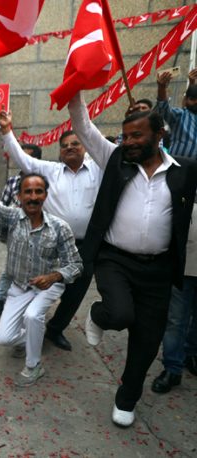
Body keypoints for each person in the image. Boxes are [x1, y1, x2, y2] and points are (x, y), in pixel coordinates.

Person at [69, 91, 197, 427]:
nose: (129, 142)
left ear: (159, 135)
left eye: (137, 135)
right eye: (126, 136)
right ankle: (98, 315)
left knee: (146, 342)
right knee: (120, 313)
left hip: (158, 270)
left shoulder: (185, 170)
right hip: (115, 261)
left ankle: (126, 401)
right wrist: (75, 91)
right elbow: (84, 128)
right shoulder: (115, 159)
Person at [0, 143, 82, 386]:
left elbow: (75, 264)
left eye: (38, 192)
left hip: (47, 287)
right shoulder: (11, 218)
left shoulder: (59, 227)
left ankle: (34, 366)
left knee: (33, 317)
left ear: (45, 195)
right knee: (3, 338)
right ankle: (28, 340)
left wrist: (53, 277)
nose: (33, 197)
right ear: (19, 196)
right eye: (28, 192)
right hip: (19, 286)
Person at [0, 112, 100, 353]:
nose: (70, 148)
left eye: (75, 143)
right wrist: (6, 130)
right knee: (35, 287)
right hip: (50, 244)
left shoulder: (98, 169)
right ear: (59, 151)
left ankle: (55, 329)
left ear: (85, 146)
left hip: (86, 246)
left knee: (74, 293)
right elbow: (22, 160)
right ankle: (23, 331)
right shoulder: (50, 170)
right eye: (65, 146)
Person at [0, 143, 42, 319]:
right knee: (11, 268)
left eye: (27, 157)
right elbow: (2, 205)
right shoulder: (13, 181)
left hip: (39, 233)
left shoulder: (45, 180)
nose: (22, 161)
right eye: (20, 157)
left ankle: (30, 305)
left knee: (36, 269)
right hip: (15, 232)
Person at [151, 204, 197, 394]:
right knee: (176, 319)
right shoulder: (187, 178)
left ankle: (191, 353)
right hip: (185, 263)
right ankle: (172, 368)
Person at [156, 71, 197, 158]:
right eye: (192, 99)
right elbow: (163, 108)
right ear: (185, 100)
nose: (196, 102)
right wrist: (161, 87)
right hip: (180, 167)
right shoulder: (180, 115)